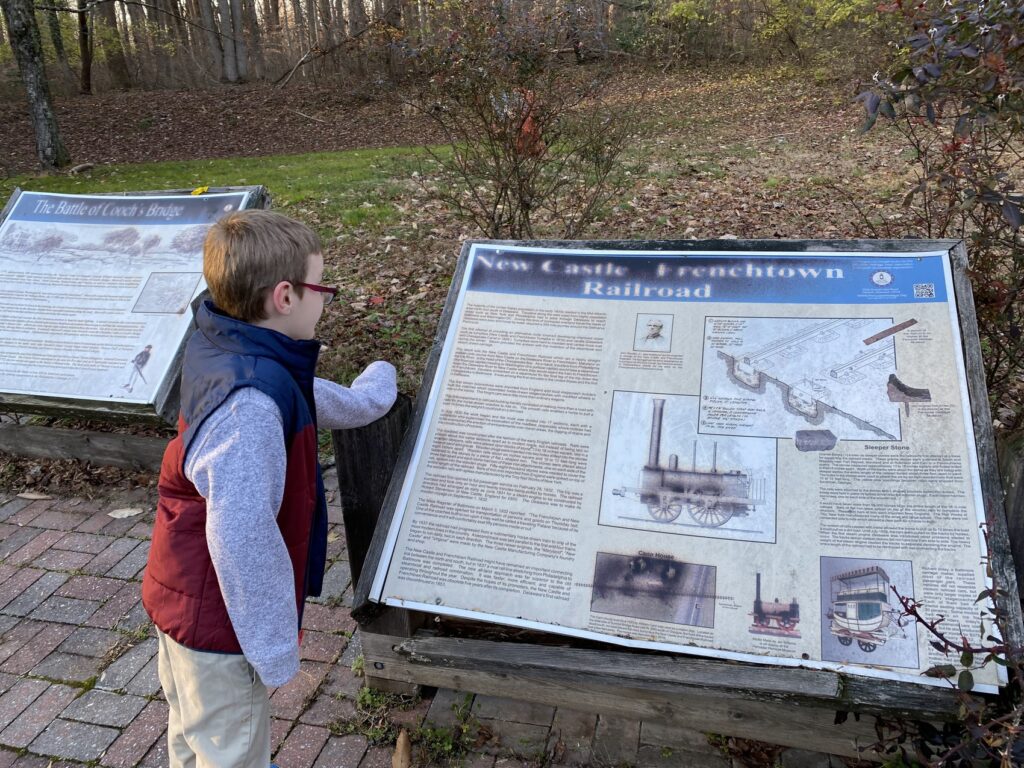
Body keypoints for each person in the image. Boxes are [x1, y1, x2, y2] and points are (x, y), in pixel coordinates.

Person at [142, 210, 397, 768]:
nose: (325, 301)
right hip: (219, 624)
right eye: (322, 289)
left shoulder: (229, 345)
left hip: (184, 593)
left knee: (195, 732)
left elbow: (293, 393)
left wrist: (369, 397)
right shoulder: (250, 410)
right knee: (231, 751)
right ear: (285, 296)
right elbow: (241, 534)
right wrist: (274, 647)